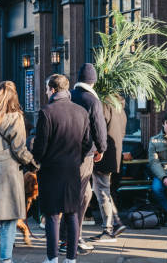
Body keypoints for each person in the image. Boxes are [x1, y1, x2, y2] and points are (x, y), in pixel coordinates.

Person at [0, 81, 38, 263]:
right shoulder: (15, 118)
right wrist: (33, 163)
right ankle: (6, 258)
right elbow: (19, 149)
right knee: (9, 219)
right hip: (7, 174)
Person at [33, 74, 91, 263]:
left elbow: (40, 146)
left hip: (50, 170)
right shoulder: (81, 112)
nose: (45, 91)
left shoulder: (46, 112)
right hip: (72, 169)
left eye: (47, 88)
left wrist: (36, 162)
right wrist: (77, 158)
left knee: (51, 215)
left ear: (52, 89)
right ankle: (71, 259)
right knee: (72, 213)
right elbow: (87, 143)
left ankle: (52, 258)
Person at [60, 63, 107, 254]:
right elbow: (99, 126)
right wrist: (101, 148)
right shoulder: (92, 100)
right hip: (84, 154)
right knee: (79, 196)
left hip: (65, 152)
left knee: (81, 194)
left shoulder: (70, 95)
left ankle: (66, 236)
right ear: (93, 82)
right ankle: (71, 239)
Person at [89, 95, 127, 243]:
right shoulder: (120, 108)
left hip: (102, 155)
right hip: (114, 154)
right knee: (104, 190)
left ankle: (109, 228)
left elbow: (99, 130)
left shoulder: (105, 105)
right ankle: (115, 222)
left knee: (102, 191)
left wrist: (97, 150)